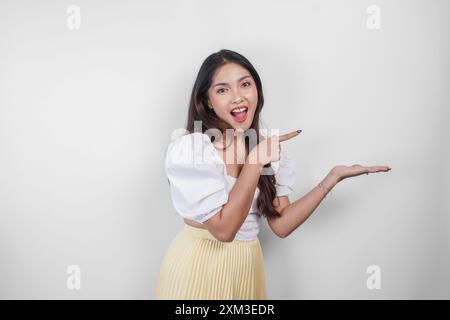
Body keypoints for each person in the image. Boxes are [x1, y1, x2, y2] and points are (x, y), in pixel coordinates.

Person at [155, 49, 391, 299]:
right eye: (223, 90)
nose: (237, 97)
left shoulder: (264, 149)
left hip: (246, 268)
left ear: (257, 90)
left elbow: (281, 224)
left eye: (245, 84)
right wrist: (255, 161)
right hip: (198, 268)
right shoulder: (194, 149)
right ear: (208, 101)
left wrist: (331, 179)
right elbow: (223, 231)